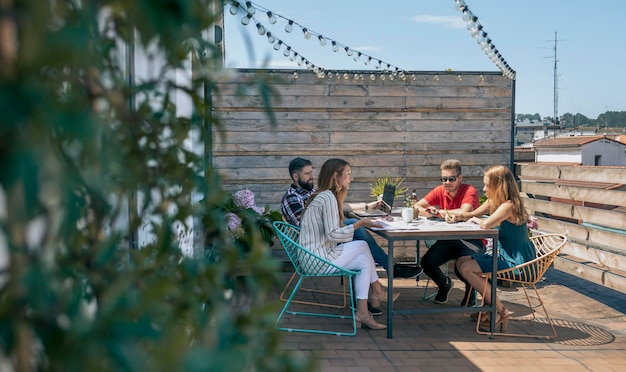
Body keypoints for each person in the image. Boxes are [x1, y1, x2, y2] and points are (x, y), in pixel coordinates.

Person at [280, 158, 423, 315]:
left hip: (323, 244)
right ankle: (383, 280)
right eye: (307, 173)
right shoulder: (293, 198)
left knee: (361, 249)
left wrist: (367, 206)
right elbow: (309, 227)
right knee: (360, 242)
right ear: (295, 176)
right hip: (315, 249)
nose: (312, 176)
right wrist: (359, 224)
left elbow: (335, 209)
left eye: (312, 171)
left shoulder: (315, 193)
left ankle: (364, 307)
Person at [299, 158, 397, 330]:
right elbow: (334, 235)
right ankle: (378, 292)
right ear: (335, 177)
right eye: (348, 174)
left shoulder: (326, 196)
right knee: (362, 246)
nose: (351, 178)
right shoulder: (327, 197)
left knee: (363, 261)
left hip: (316, 255)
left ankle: (363, 312)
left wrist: (360, 218)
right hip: (315, 259)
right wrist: (360, 224)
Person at [452, 165, 536, 331]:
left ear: (499, 186)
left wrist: (477, 220)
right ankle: (488, 309)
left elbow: (486, 224)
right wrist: (451, 215)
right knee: (462, 261)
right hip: (505, 256)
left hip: (518, 263)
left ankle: (500, 310)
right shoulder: (498, 203)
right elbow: (474, 215)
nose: (484, 189)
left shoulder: (508, 206)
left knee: (467, 268)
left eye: (487, 185)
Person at [412, 159, 483, 306]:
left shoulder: (469, 191)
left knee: (461, 267)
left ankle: (471, 290)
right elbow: (416, 207)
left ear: (460, 178)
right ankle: (444, 284)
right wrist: (432, 213)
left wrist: (439, 212)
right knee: (427, 263)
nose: (447, 182)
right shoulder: (440, 190)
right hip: (449, 239)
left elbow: (464, 212)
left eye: (451, 179)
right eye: (444, 179)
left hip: (471, 240)